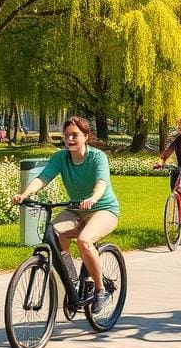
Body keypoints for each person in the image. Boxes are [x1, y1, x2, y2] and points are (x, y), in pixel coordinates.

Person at [13, 116, 120, 313]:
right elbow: (43, 178)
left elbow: (101, 182)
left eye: (75, 135)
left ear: (86, 136)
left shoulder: (98, 157)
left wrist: (94, 198)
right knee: (53, 233)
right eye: (66, 135)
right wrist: (25, 194)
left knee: (84, 241)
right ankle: (72, 280)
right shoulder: (60, 157)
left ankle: (100, 290)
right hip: (75, 208)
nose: (69, 139)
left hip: (103, 209)